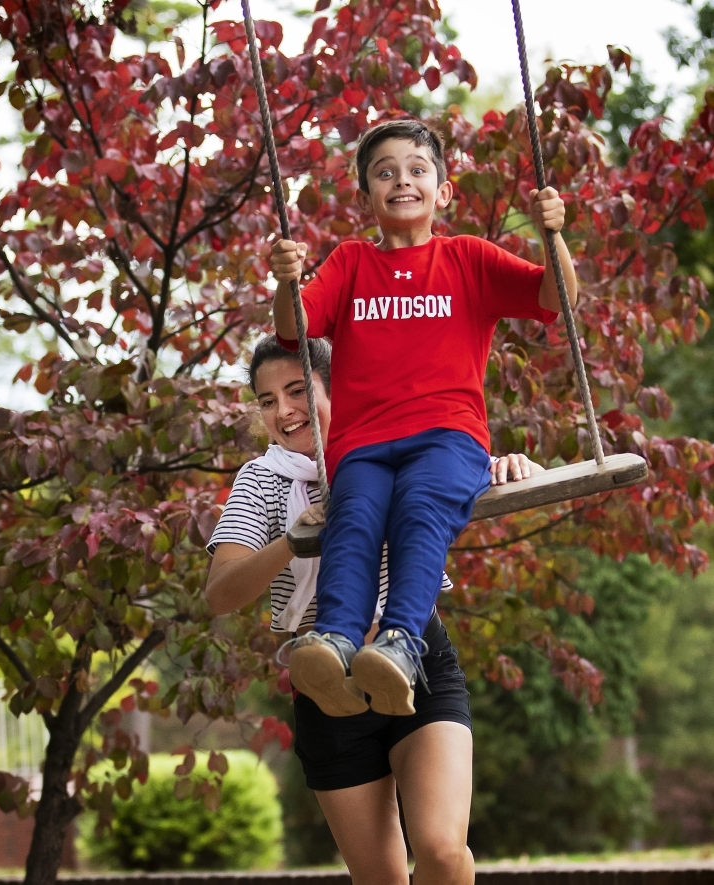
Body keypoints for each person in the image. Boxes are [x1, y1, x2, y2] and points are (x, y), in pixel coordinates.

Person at [205, 334, 544, 885]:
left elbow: (457, 466)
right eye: (267, 401)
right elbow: (221, 593)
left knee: (441, 849)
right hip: (326, 687)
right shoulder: (261, 481)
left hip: (414, 660)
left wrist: (503, 464)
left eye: (297, 391)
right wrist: (293, 539)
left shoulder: (396, 448)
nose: (284, 411)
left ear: (338, 387)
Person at [270, 117, 577, 718]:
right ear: (366, 199)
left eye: (416, 170)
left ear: (443, 192)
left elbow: (556, 298)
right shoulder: (351, 263)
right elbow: (292, 328)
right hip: (362, 444)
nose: (401, 181)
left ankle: (401, 643)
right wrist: (285, 282)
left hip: (448, 437)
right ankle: (335, 643)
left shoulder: (467, 259)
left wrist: (554, 237)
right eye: (384, 173)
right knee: (353, 519)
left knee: (418, 510)